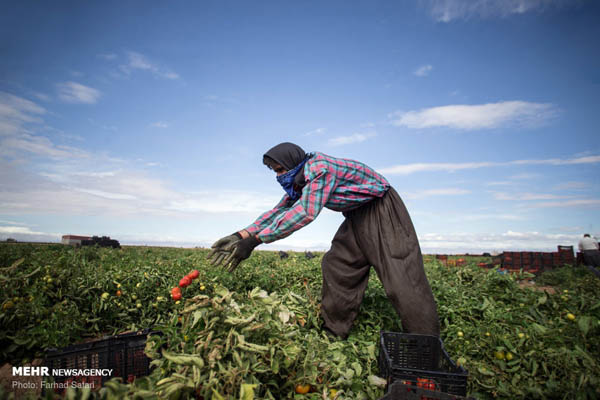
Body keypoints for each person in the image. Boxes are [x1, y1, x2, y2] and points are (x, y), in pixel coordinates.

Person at [209, 142, 440, 338]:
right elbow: (280, 210)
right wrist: (242, 235)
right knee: (338, 265)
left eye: (280, 169)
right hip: (356, 214)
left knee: (402, 276)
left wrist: (257, 240)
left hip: (382, 208)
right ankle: (334, 331)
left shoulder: (320, 169)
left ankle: (425, 345)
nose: (279, 176)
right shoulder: (302, 179)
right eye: (274, 172)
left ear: (292, 162)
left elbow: (304, 212)